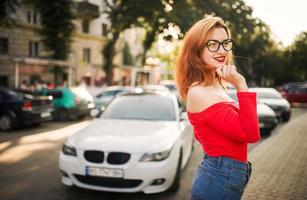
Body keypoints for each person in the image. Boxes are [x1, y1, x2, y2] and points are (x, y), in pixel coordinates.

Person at [175, 16, 260, 200]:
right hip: (218, 179)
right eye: (213, 44)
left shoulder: (216, 87)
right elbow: (251, 134)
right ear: (196, 51)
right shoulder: (199, 92)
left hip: (224, 176)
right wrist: (241, 85)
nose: (222, 50)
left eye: (225, 43)